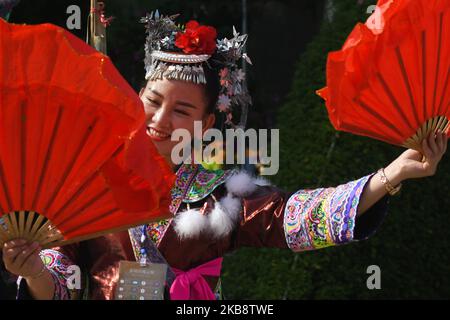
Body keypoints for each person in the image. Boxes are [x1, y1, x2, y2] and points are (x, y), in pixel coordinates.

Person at [2, 12, 448, 300]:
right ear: (134, 96)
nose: (159, 119)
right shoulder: (87, 181)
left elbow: (296, 216)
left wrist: (392, 174)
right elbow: (60, 286)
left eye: (181, 110)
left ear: (205, 126)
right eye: (152, 100)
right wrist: (34, 270)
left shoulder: (218, 193)